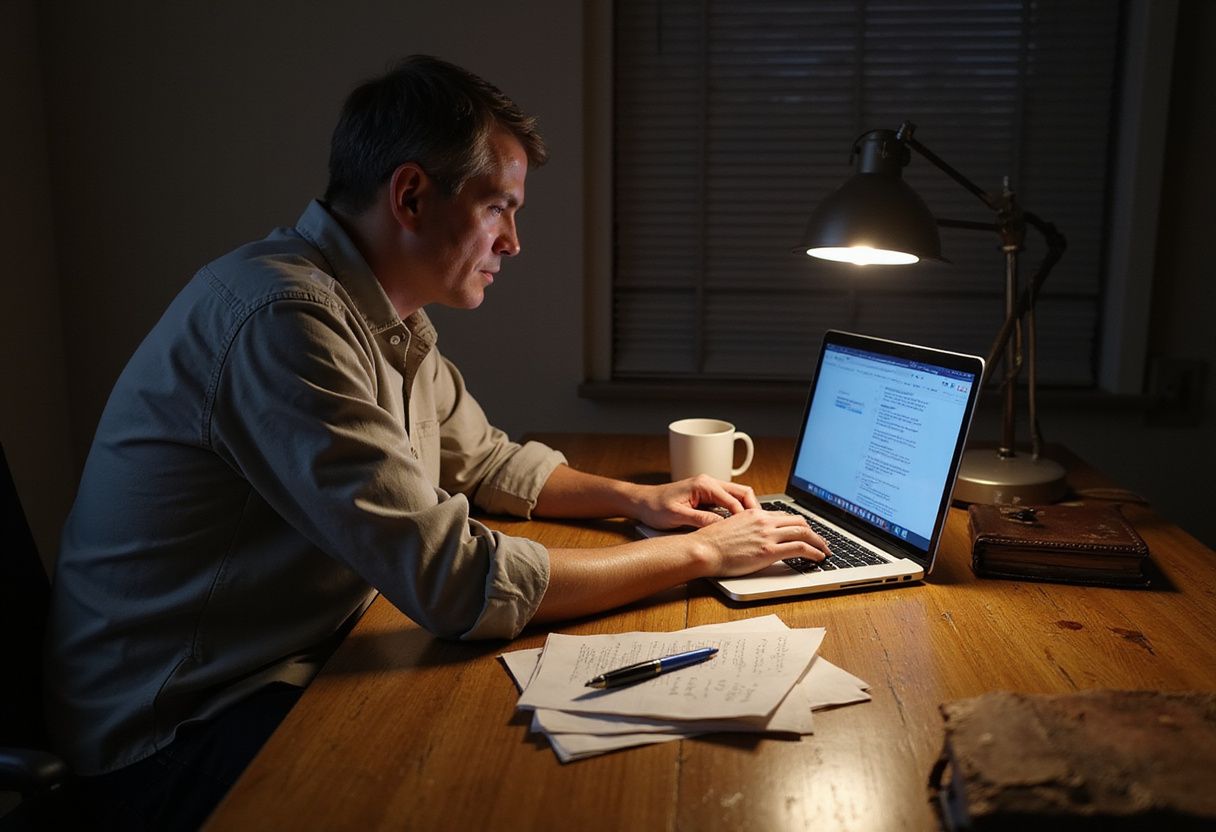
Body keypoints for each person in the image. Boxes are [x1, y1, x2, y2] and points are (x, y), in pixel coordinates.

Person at [43, 55, 827, 829]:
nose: (513, 241)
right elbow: (454, 584)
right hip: (171, 733)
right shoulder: (285, 321)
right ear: (412, 196)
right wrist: (705, 554)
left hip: (287, 663)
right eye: (498, 208)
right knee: (480, 785)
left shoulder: (384, 313)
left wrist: (638, 500)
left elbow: (485, 459)